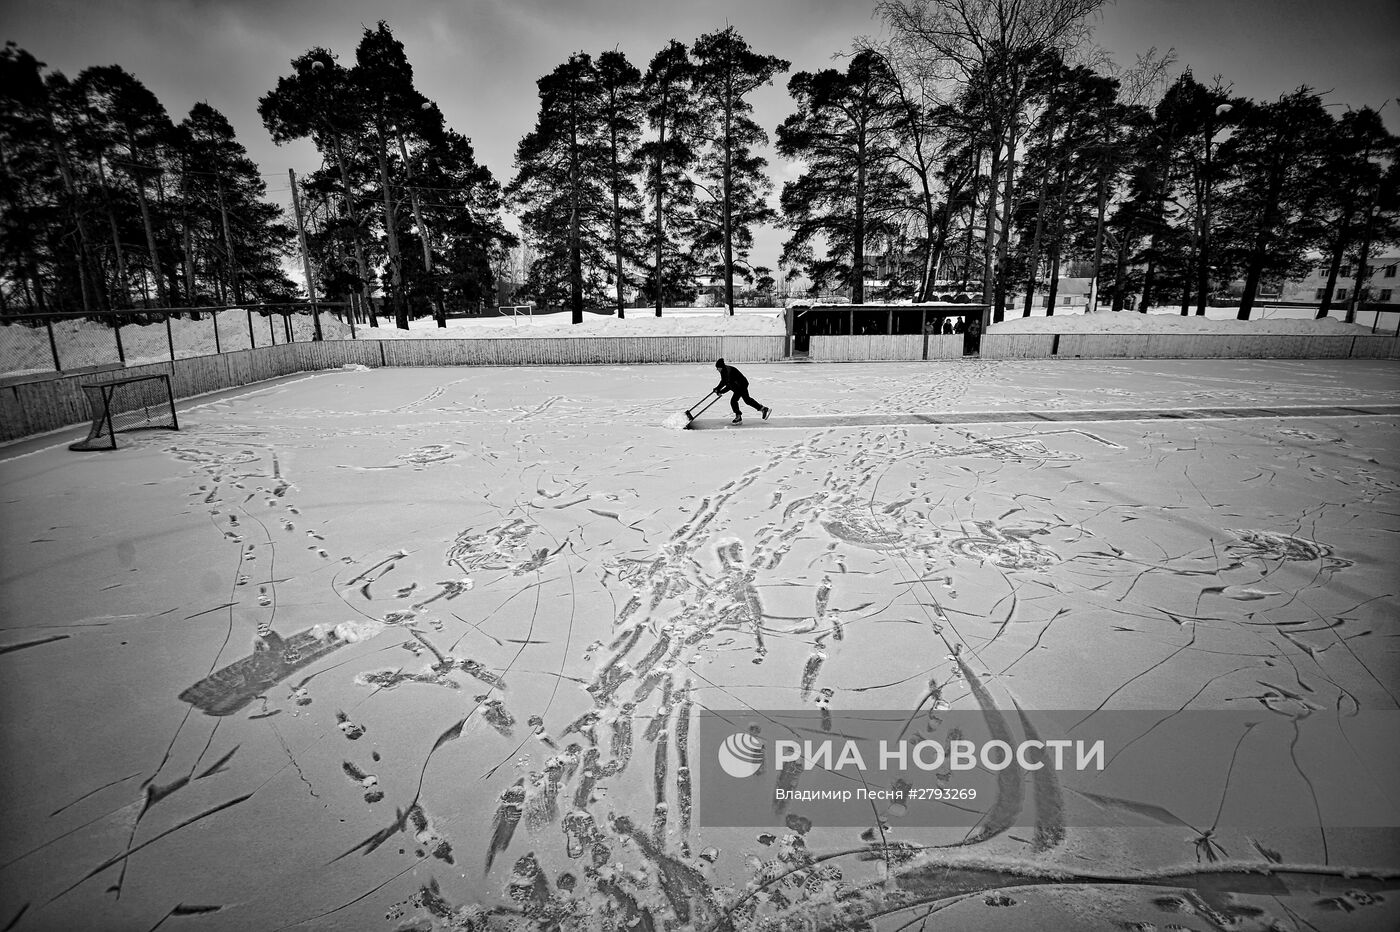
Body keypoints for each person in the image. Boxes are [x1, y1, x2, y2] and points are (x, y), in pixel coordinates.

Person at [713, 358, 770, 425]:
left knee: (734, 401)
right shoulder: (723, 371)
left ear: (721, 367)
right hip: (738, 385)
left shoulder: (728, 371)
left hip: (741, 385)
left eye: (718, 368)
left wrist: (720, 391)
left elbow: (728, 385)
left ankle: (738, 417)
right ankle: (763, 409)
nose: (717, 369)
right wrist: (718, 388)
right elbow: (723, 382)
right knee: (747, 400)